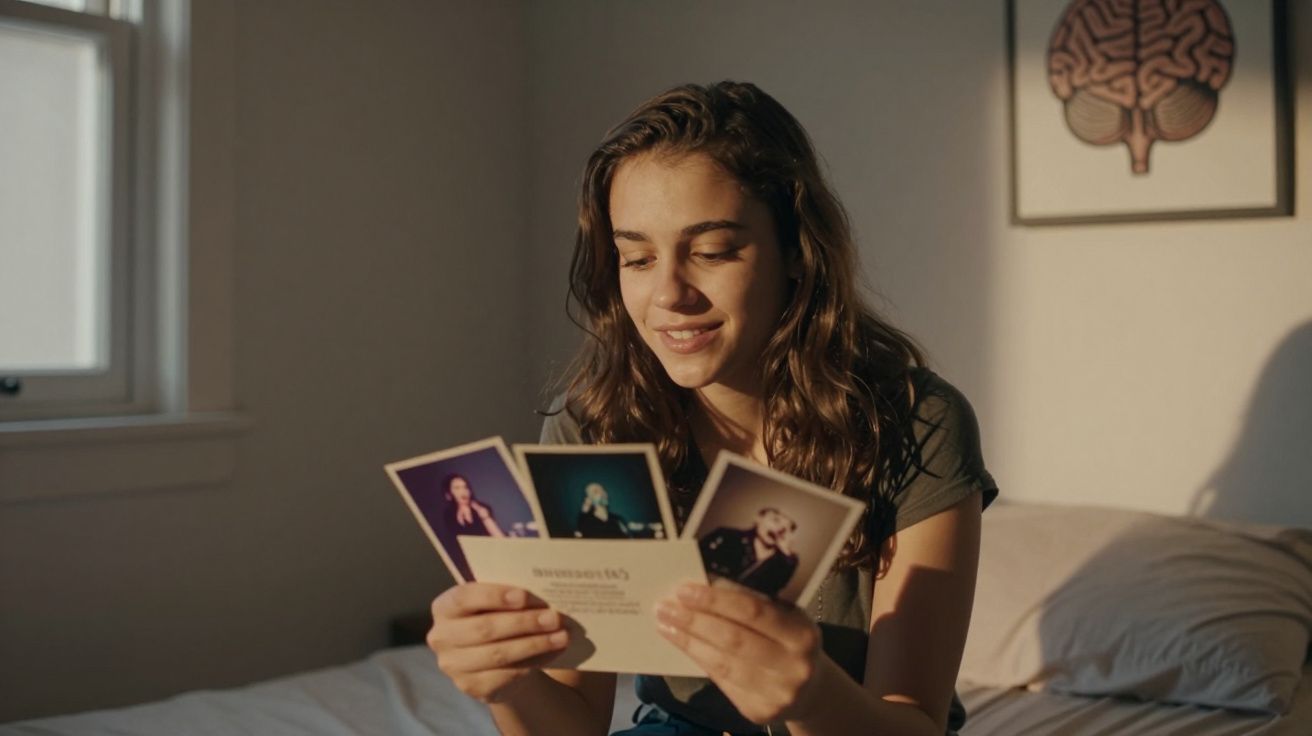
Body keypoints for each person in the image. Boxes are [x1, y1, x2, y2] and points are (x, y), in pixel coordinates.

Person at [425, 81, 998, 736]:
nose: (668, 293)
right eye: (636, 257)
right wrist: (509, 680)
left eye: (712, 251)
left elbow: (914, 722)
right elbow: (573, 728)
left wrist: (809, 696)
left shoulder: (914, 423)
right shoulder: (595, 428)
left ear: (796, 252)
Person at [699, 507, 799, 599]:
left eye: (788, 528)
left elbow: (772, 592)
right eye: (776, 520)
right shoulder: (725, 535)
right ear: (758, 518)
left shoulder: (786, 561)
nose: (780, 529)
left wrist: (786, 556)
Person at [438, 474, 504, 581]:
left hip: (493, 559)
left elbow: (500, 539)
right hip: (470, 564)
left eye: (465, 487)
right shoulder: (449, 514)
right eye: (457, 488)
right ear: (449, 494)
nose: (463, 491)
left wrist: (485, 517)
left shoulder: (482, 508)